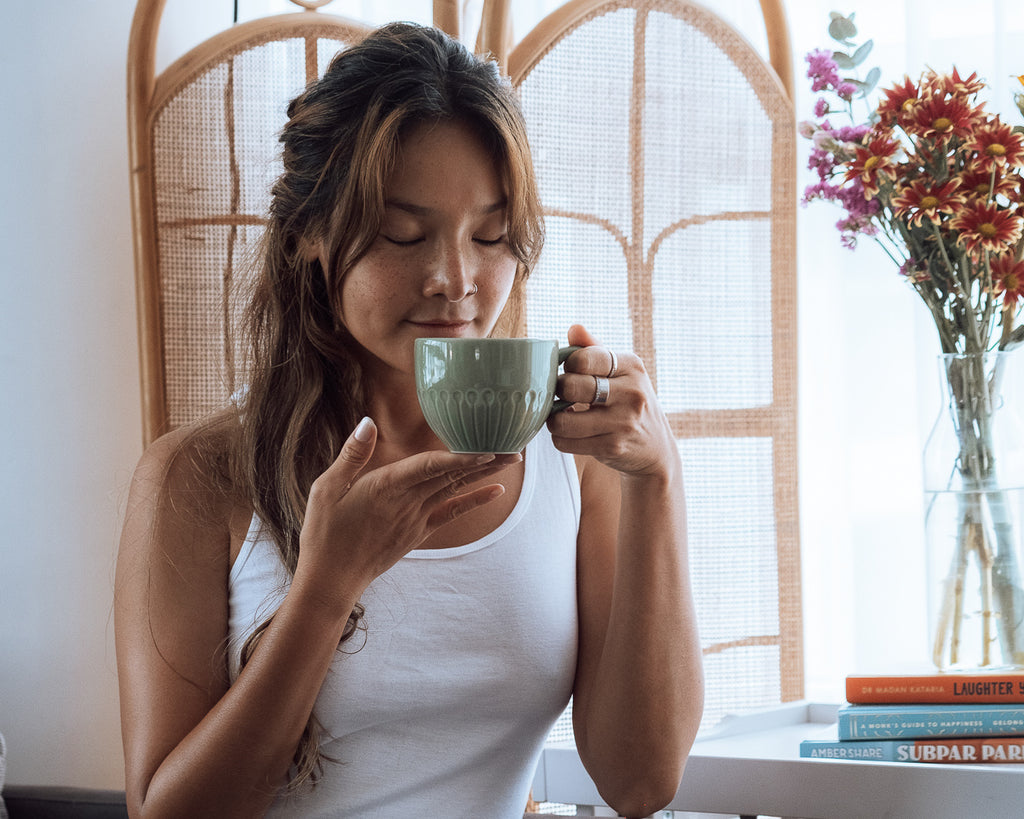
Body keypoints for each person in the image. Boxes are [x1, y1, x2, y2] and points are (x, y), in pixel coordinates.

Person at [114, 21, 703, 819]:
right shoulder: (199, 477)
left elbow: (641, 782)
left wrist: (657, 479)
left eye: (490, 235)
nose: (454, 279)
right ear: (310, 236)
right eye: (404, 233)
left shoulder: (573, 462)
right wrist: (326, 587)